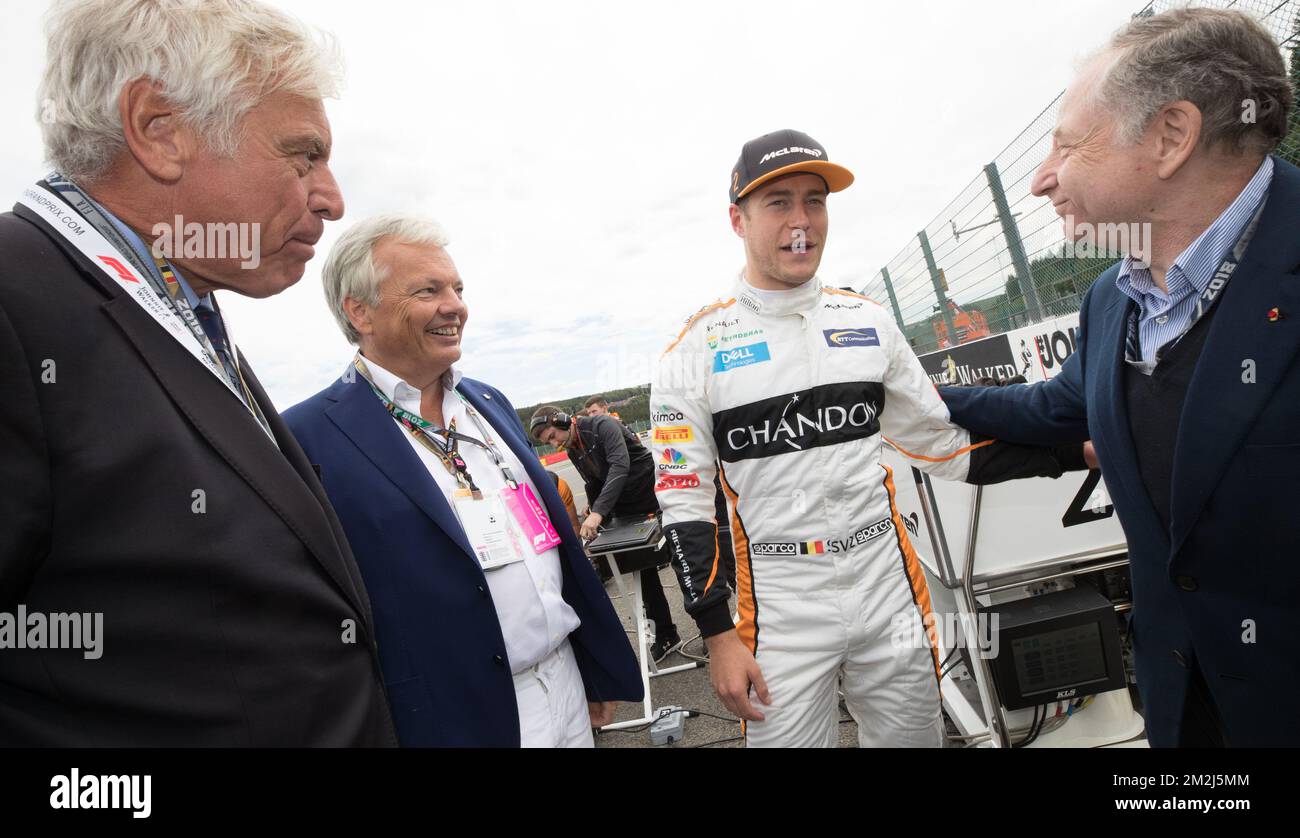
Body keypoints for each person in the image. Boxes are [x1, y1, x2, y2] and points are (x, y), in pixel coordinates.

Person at [0, 0, 394, 745]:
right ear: (158, 129)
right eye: (303, 154)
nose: (333, 199)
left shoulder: (175, 308)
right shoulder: (17, 305)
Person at [651, 128, 1085, 747]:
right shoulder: (692, 351)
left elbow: (942, 444)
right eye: (778, 203)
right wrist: (718, 634)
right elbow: (685, 505)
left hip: (887, 583)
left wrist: (1075, 453)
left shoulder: (869, 321)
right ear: (737, 220)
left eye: (815, 200)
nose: (801, 221)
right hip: (779, 600)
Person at [937, 8, 1299, 748]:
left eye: (1067, 145)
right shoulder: (1114, 299)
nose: (1041, 180)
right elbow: (1055, 410)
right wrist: (908, 395)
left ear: (1171, 136)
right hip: (1182, 707)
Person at [283, 215, 642, 747]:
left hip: (564, 683)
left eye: (456, 288)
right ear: (359, 310)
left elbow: (549, 547)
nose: (455, 306)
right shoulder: (307, 437)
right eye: (429, 290)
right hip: (454, 716)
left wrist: (587, 666)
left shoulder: (487, 401)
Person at [530, 406, 684, 662]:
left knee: (679, 557)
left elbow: (620, 466)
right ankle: (667, 635)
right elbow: (593, 482)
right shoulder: (572, 448)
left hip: (650, 495)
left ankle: (708, 628)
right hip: (623, 505)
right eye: (548, 442)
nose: (555, 444)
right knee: (642, 572)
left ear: (563, 421)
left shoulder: (602, 426)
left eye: (553, 436)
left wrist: (599, 511)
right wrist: (593, 510)